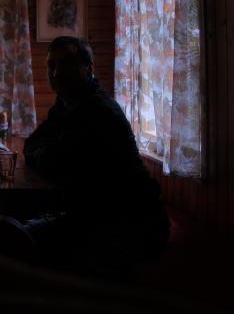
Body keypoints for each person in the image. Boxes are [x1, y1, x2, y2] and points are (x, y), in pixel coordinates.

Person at [22, 36, 170, 275]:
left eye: (66, 64)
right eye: (51, 65)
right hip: (95, 214)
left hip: (133, 223)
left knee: (23, 238)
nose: (56, 73)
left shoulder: (100, 110)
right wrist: (46, 154)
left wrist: (46, 154)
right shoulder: (65, 104)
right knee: (20, 229)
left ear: (88, 68)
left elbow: (54, 163)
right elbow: (31, 145)